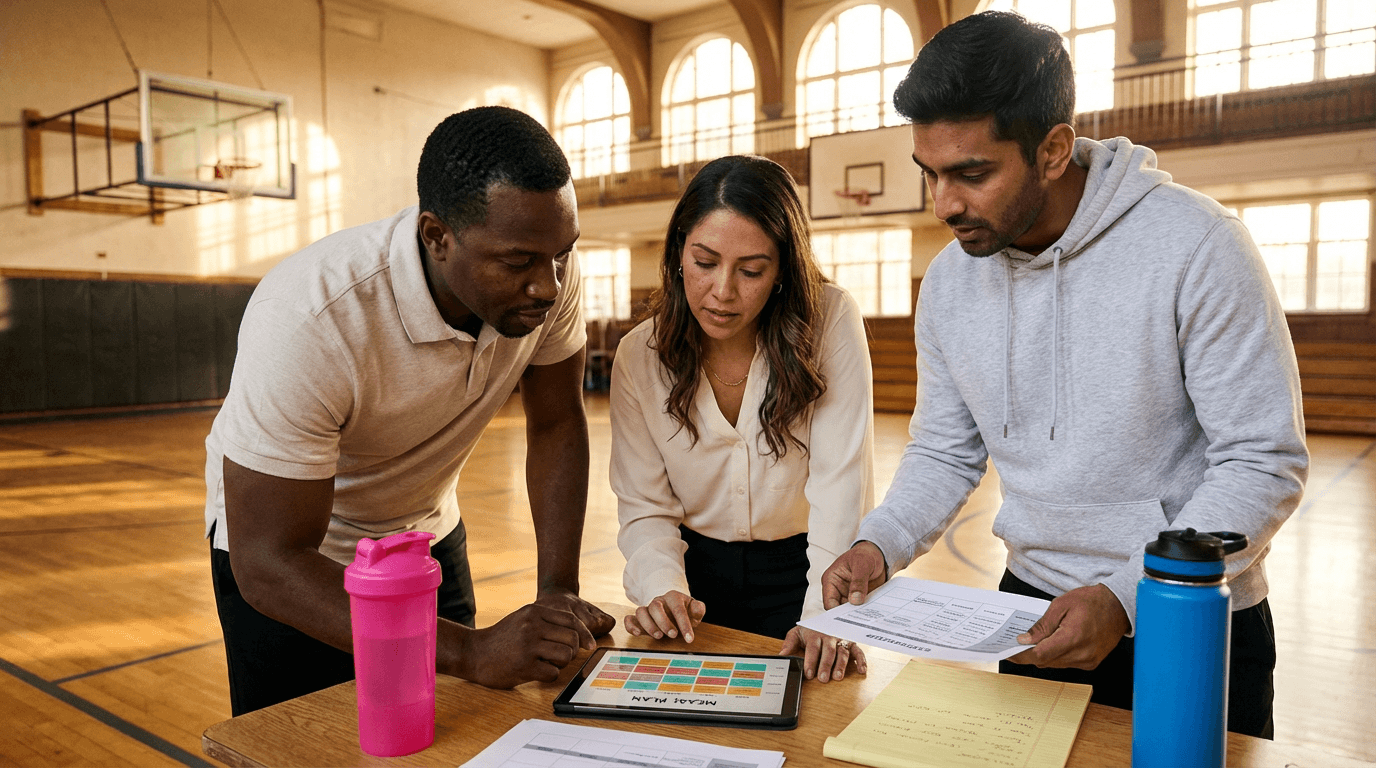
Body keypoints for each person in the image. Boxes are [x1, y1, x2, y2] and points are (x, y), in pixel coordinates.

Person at [820, 11, 1307, 737]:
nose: (944, 203)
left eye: (972, 173)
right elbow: (945, 451)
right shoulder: (952, 282)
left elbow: (1262, 461)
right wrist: (879, 541)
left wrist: (1129, 598)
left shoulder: (1197, 245)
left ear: (1052, 150)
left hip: (1190, 614)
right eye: (931, 173)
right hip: (1031, 611)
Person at [203, 106, 615, 716]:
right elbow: (267, 562)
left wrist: (558, 594)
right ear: (436, 236)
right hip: (307, 565)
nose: (549, 286)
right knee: (308, 753)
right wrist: (471, 653)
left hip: (425, 537)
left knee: (448, 738)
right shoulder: (311, 316)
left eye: (562, 255)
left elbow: (556, 422)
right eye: (519, 262)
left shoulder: (545, 264)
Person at [611, 155, 876, 683]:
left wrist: (826, 618)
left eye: (751, 270)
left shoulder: (829, 322)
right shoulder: (639, 355)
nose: (723, 291)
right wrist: (662, 587)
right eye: (704, 262)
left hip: (807, 570)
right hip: (692, 576)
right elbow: (644, 504)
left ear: (782, 270)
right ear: (678, 252)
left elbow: (841, 486)